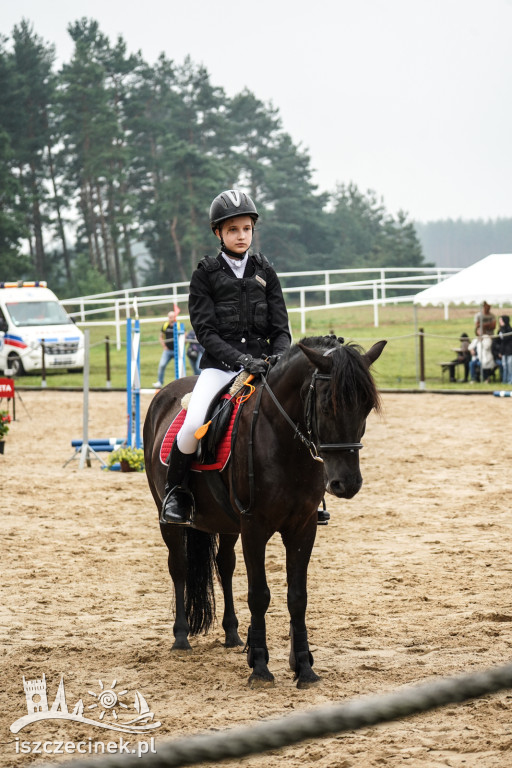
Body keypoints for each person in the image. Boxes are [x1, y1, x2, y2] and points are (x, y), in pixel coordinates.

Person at [160, 189, 291, 525]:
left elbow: (281, 329)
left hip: (266, 367)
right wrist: (239, 360)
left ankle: (307, 494)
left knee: (298, 417)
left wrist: (277, 359)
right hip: (220, 369)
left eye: (246, 228)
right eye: (233, 230)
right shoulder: (205, 274)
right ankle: (177, 493)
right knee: (191, 425)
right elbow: (206, 332)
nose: (241, 236)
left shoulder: (266, 272)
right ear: (218, 232)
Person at [153, 310, 176, 388]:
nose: (170, 318)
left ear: (175, 317)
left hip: (177, 351)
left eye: (172, 317)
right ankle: (159, 382)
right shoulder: (165, 325)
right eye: (169, 317)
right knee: (162, 365)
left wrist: (181, 347)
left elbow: (185, 336)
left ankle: (181, 382)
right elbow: (161, 337)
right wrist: (164, 346)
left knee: (180, 366)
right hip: (168, 350)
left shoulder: (178, 325)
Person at [498, 314, 512, 384]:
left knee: (510, 367)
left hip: (510, 351)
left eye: (501, 320)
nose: (500, 322)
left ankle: (510, 381)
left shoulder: (509, 329)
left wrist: (503, 327)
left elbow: (505, 338)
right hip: (504, 352)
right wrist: (500, 352)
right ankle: (504, 381)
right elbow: (501, 342)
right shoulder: (501, 330)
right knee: (505, 367)